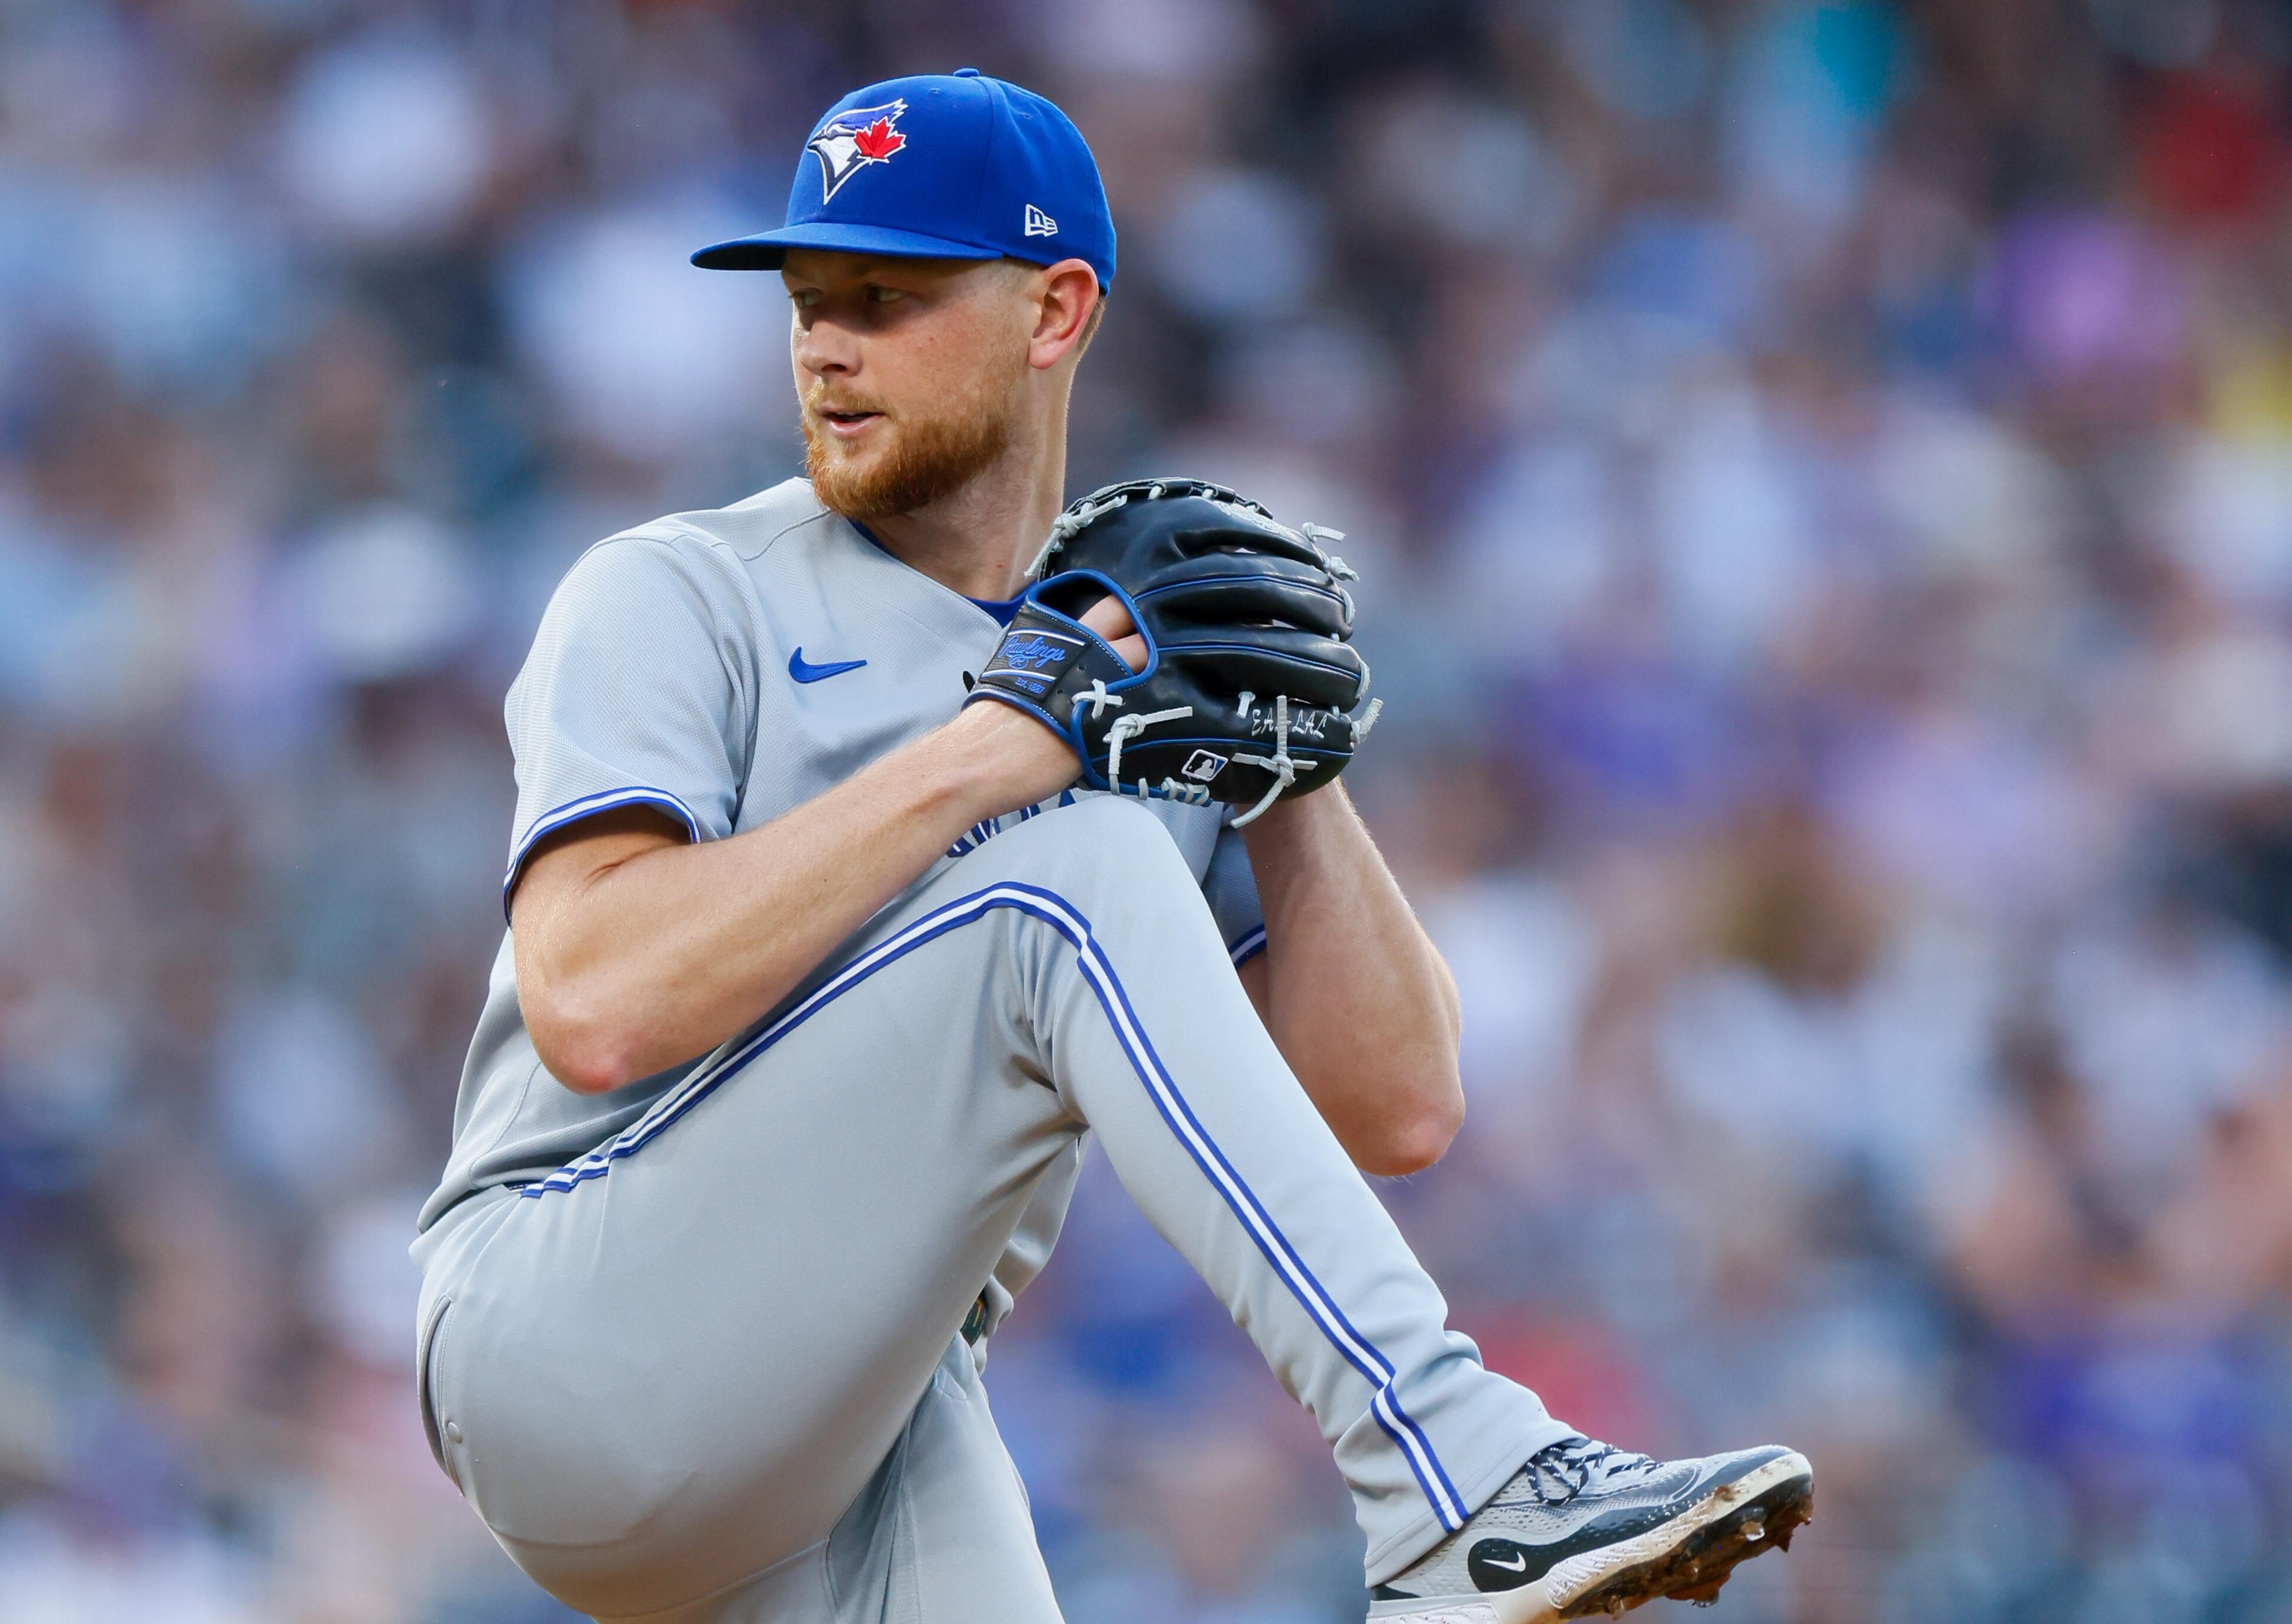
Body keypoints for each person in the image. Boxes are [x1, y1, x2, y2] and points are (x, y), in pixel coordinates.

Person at [410, 70, 1809, 1623]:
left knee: (1078, 871)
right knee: (1063, 873)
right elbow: (595, 1001)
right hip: (560, 1316)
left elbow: (1397, 1107)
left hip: (847, 1422)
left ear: (1056, 311)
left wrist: (1291, 775)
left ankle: (1463, 1484)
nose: (826, 341)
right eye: (809, 297)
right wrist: (1001, 751)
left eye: (888, 293)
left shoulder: (1125, 667)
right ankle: (1460, 1473)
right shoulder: (678, 588)